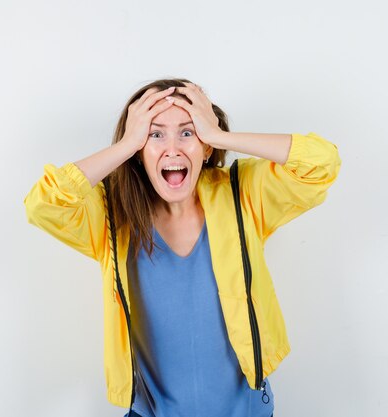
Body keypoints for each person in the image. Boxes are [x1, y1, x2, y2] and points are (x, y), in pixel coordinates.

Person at [23, 78, 342, 417]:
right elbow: (42, 205)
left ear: (205, 147)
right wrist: (126, 145)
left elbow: (322, 163)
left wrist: (220, 136)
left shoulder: (242, 196)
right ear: (137, 151)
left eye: (188, 132)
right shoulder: (111, 218)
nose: (172, 148)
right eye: (155, 133)